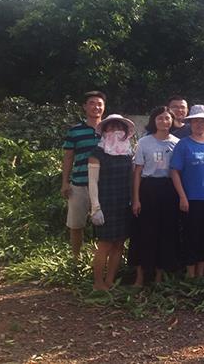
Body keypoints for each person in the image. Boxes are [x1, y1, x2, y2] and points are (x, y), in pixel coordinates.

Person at [170, 105, 204, 278]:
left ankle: (201, 273)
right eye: (196, 121)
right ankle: (190, 273)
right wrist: (182, 197)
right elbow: (174, 172)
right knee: (190, 235)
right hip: (191, 199)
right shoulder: (183, 144)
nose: (199, 124)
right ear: (190, 123)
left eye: (203, 121)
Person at [130, 107, 181, 287]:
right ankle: (140, 276)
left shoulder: (177, 143)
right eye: (160, 118)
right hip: (148, 189)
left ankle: (159, 276)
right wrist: (136, 199)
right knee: (144, 232)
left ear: (172, 121)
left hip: (169, 190)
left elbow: (178, 172)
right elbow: (137, 172)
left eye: (167, 118)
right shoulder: (144, 142)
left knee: (165, 232)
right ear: (154, 120)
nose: (164, 121)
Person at [87, 114, 135, 290]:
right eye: (112, 127)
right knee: (105, 244)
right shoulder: (97, 153)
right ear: (105, 131)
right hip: (105, 203)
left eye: (119, 128)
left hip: (123, 203)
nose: (116, 131)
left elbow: (132, 179)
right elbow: (92, 182)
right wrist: (95, 208)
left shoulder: (128, 152)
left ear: (125, 132)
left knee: (119, 243)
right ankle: (98, 282)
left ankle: (110, 280)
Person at [61, 90, 105, 259]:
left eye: (100, 104)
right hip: (79, 183)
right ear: (85, 107)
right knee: (76, 224)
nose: (96, 107)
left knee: (104, 224)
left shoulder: (109, 130)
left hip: (103, 185)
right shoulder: (75, 131)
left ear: (104, 107)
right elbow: (68, 157)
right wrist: (65, 182)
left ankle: (100, 257)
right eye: (92, 103)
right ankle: (76, 258)